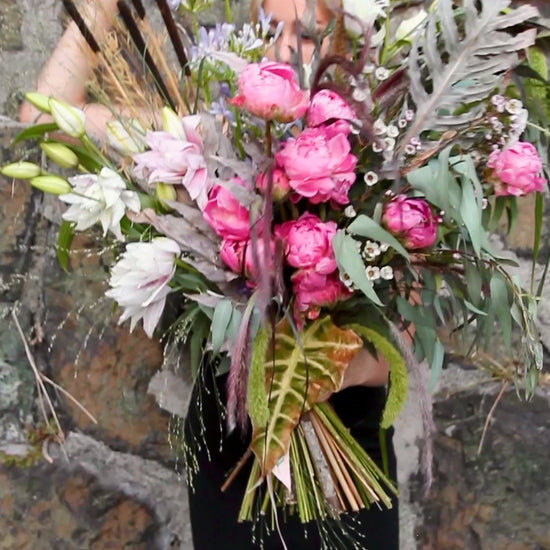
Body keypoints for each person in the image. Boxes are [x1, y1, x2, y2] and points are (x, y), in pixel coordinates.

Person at [19, 1, 400, 548]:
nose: (288, 49)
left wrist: (311, 372)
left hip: (345, 474)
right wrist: (102, 9)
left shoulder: (379, 151)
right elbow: (45, 115)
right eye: (274, 29)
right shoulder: (205, 139)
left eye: (310, 31)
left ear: (351, 41)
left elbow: (399, 348)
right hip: (230, 464)